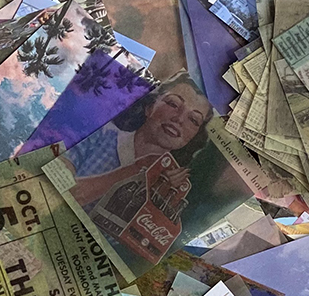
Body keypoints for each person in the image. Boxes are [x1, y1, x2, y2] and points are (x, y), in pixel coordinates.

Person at [60, 77, 213, 212]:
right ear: (149, 107)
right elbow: (58, 187)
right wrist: (136, 171)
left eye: (193, 120)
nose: (179, 119)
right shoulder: (100, 133)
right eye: (173, 104)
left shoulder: (173, 186)